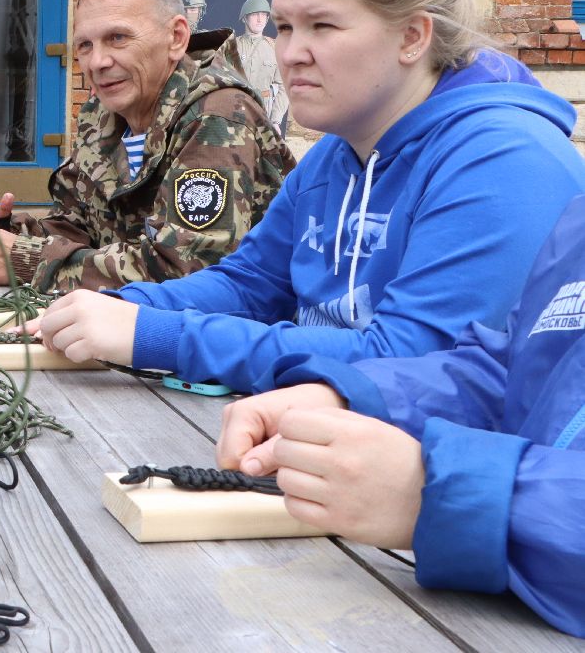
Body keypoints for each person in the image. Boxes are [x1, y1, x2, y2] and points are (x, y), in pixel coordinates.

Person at [23, 0, 585, 395]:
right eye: (286, 26)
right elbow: (249, 284)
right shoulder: (338, 157)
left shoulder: (504, 161)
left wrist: (155, 335)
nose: (291, 53)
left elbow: (409, 361)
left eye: (323, 26)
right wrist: (114, 307)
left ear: (412, 36)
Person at [216, 192, 585, 637]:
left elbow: (404, 339)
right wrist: (355, 398)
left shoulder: (503, 160)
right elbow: (510, 372)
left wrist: (439, 491)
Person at [0, 0, 294, 291]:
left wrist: (27, 261)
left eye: (117, 37)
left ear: (176, 37)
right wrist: (7, 238)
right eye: (85, 45)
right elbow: (82, 226)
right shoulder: (104, 117)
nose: (97, 62)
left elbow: (188, 272)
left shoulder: (217, 115)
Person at [219, 0, 289, 133]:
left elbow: (283, 87)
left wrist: (275, 120)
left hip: (263, 116)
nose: (260, 19)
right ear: (245, 18)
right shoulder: (231, 46)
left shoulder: (274, 48)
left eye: (264, 15)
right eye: (255, 14)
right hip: (234, 113)